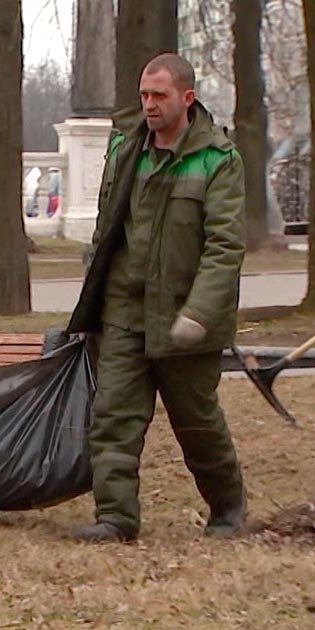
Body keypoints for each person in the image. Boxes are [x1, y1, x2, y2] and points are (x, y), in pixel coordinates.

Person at [66, 53, 248, 542]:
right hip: (125, 310)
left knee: (197, 423)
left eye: (159, 96)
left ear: (186, 98)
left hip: (186, 318)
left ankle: (228, 509)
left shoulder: (217, 159)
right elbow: (108, 229)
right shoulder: (127, 149)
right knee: (113, 419)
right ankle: (116, 518)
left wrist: (199, 313)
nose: (148, 104)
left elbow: (225, 246)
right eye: (144, 95)